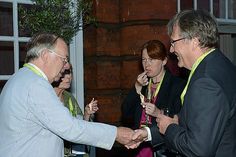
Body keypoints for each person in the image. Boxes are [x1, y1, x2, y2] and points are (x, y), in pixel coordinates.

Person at [0, 32, 135, 157]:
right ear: (46, 55)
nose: (66, 66)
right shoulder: (36, 84)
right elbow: (70, 128)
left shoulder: (18, 77)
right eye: (64, 59)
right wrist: (115, 134)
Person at [153, 10, 236, 157]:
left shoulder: (205, 81)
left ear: (195, 40)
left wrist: (169, 128)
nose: (171, 50)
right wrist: (179, 120)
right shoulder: (220, 63)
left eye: (173, 42)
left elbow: (198, 150)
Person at [122, 40, 186, 157]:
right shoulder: (143, 83)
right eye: (144, 60)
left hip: (161, 148)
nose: (147, 64)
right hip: (138, 146)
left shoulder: (177, 85)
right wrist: (137, 87)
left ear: (164, 61)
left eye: (151, 59)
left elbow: (181, 120)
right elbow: (126, 113)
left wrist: (158, 113)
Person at [52, 63, 98, 156]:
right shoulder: (47, 98)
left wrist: (87, 113)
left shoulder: (69, 97)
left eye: (69, 72)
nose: (68, 77)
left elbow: (80, 127)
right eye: (64, 73)